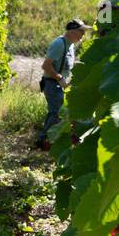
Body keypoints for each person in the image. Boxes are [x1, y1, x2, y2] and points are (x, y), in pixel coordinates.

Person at [37, 19, 88, 150]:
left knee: (61, 113)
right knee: (56, 112)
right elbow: (46, 65)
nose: (83, 35)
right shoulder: (59, 44)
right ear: (73, 31)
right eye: (81, 31)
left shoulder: (71, 45)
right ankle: (41, 141)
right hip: (52, 84)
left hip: (60, 84)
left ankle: (51, 141)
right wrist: (60, 79)